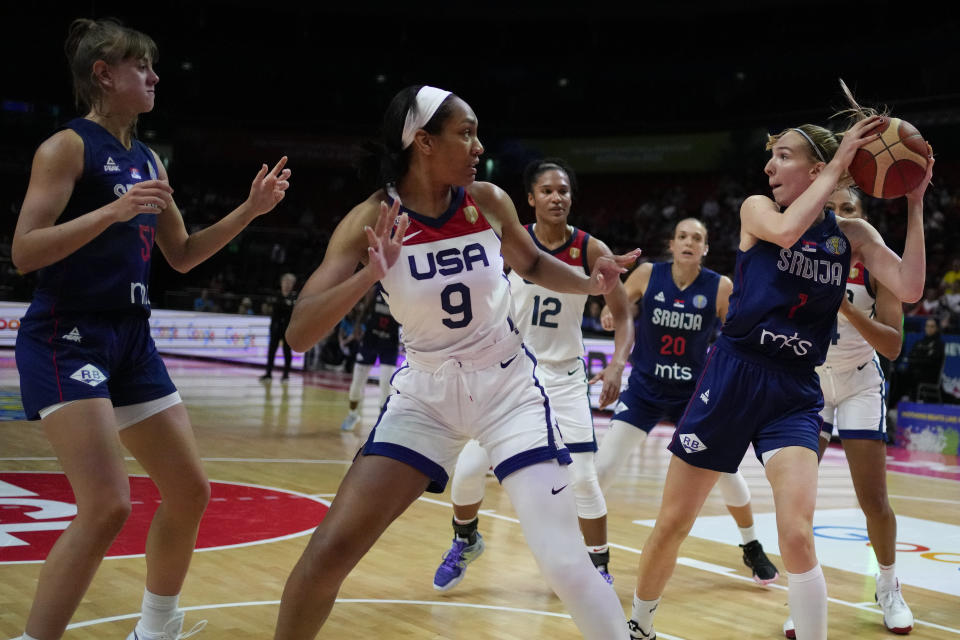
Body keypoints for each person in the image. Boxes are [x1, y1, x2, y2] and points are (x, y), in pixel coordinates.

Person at [275, 85, 639, 640]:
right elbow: (300, 333)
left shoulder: (487, 200)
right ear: (423, 142)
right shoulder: (370, 218)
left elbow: (535, 264)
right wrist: (371, 275)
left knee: (566, 562)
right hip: (425, 394)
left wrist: (591, 282)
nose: (477, 145)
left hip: (508, 389)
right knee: (328, 554)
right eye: (464, 133)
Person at [11, 18, 291, 640]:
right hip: (67, 332)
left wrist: (251, 209)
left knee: (190, 490)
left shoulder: (147, 159)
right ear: (104, 75)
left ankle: (156, 628)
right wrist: (111, 211)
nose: (155, 76)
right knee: (108, 505)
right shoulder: (67, 147)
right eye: (141, 67)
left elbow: (184, 254)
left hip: (132, 338)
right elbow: (25, 251)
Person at [626, 110, 929, 640]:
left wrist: (915, 202)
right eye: (771, 156)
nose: (769, 166)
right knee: (674, 522)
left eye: (783, 156)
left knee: (797, 535)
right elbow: (789, 232)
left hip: (794, 389)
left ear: (816, 170)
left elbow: (908, 288)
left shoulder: (851, 235)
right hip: (734, 376)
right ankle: (639, 625)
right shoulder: (758, 210)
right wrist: (837, 167)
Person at [430, 158, 632, 591]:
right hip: (512, 375)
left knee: (582, 477)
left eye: (563, 190)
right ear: (530, 199)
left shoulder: (589, 248)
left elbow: (623, 313)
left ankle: (598, 568)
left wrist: (617, 363)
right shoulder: (507, 243)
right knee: (467, 471)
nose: (556, 197)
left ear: (571, 198)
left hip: (563, 376)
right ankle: (465, 540)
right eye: (547, 190)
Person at [595, 217, 780, 586]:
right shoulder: (648, 274)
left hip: (695, 396)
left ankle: (751, 545)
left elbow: (736, 338)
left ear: (706, 249)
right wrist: (610, 315)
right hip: (645, 389)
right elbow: (617, 306)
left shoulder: (719, 287)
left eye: (697, 238)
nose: (689, 242)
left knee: (727, 472)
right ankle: (589, 552)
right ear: (672, 243)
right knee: (603, 468)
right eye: (682, 236)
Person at [781, 185, 916, 637]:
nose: (837, 216)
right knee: (798, 500)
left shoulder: (877, 264)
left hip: (860, 381)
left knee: (873, 500)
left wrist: (844, 306)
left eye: (848, 209)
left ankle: (888, 584)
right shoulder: (801, 256)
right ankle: (804, 593)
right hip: (812, 383)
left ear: (862, 220)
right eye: (830, 208)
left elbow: (894, 346)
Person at [340, 283, 400, 431]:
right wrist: (356, 328)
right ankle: (353, 414)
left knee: (386, 383)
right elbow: (365, 310)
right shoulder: (375, 289)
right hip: (370, 340)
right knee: (356, 383)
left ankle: (382, 420)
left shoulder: (402, 289)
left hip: (389, 342)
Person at [261, 273, 297, 381]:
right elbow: (266, 308)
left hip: (287, 329)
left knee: (287, 351)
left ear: (293, 285)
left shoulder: (294, 297)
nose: (287, 284)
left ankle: (286, 374)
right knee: (272, 350)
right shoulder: (275, 295)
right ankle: (268, 373)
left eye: (290, 283)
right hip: (275, 327)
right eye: (285, 282)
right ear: (281, 283)